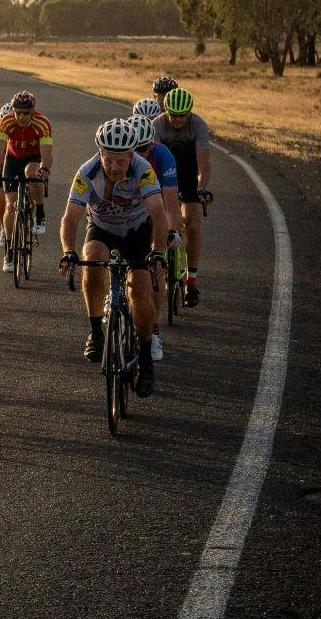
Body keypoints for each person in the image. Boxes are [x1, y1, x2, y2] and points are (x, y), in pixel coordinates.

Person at [57, 117, 180, 398]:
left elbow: (158, 214)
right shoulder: (86, 172)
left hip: (138, 230)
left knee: (140, 291)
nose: (114, 167)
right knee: (92, 259)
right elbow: (70, 218)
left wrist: (157, 253)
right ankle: (96, 332)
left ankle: (146, 358)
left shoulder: (144, 170)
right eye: (109, 160)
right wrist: (68, 251)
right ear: (100, 153)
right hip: (103, 229)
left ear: (131, 156)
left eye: (121, 161)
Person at [130, 98, 183, 362]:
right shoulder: (119, 156)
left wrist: (172, 231)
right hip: (128, 212)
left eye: (143, 149)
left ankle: (153, 330)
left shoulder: (162, 155)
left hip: (155, 208)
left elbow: (171, 204)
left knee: (155, 270)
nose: (138, 155)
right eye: (134, 149)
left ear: (151, 144)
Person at [154, 88, 211, 305]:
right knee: (159, 221)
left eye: (182, 115)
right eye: (173, 115)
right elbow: (153, 162)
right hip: (164, 176)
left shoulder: (198, 125)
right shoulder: (157, 125)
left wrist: (201, 188)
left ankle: (192, 281)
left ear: (190, 112)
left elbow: (203, 164)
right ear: (166, 111)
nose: (177, 120)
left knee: (192, 224)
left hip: (188, 176)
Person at [0, 90, 53, 251]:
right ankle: (9, 250)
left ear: (32, 112)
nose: (22, 117)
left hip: (33, 157)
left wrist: (44, 168)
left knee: (32, 173)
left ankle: (39, 212)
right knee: (10, 205)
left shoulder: (42, 123)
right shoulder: (6, 121)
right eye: (18, 112)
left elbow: (47, 152)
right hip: (13, 159)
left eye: (26, 113)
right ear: (13, 111)